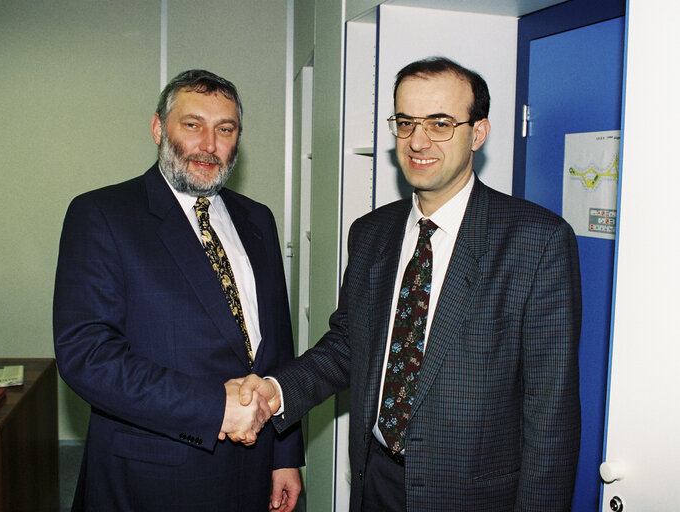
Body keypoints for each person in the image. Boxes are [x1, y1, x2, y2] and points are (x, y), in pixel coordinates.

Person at [238, 57, 582, 511]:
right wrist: (277, 390)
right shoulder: (370, 233)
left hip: (473, 496)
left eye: (440, 123)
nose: (418, 141)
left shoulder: (537, 242)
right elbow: (347, 345)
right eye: (406, 122)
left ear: (478, 132)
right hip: (375, 480)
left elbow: (550, 413)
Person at [53, 69, 303, 512]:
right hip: (153, 478)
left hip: (253, 469)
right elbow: (87, 357)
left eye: (225, 129)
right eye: (193, 125)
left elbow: (277, 345)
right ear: (158, 129)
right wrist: (213, 407)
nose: (209, 144)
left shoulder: (257, 219)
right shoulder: (102, 215)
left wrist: (284, 456)